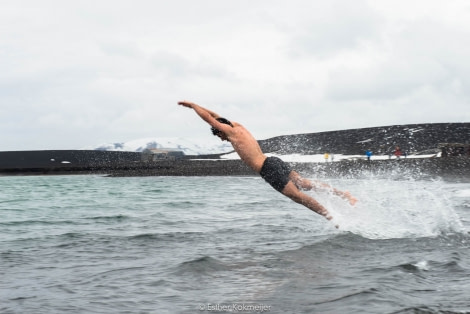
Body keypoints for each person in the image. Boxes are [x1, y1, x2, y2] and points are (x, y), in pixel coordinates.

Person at [177, 101, 357, 221]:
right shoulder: (238, 126)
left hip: (267, 168)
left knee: (297, 196)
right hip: (272, 160)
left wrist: (193, 106)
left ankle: (331, 217)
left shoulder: (231, 132)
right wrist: (202, 108)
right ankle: (344, 195)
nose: (222, 139)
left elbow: (210, 119)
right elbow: (216, 116)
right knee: (304, 183)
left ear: (223, 130)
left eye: (220, 136)